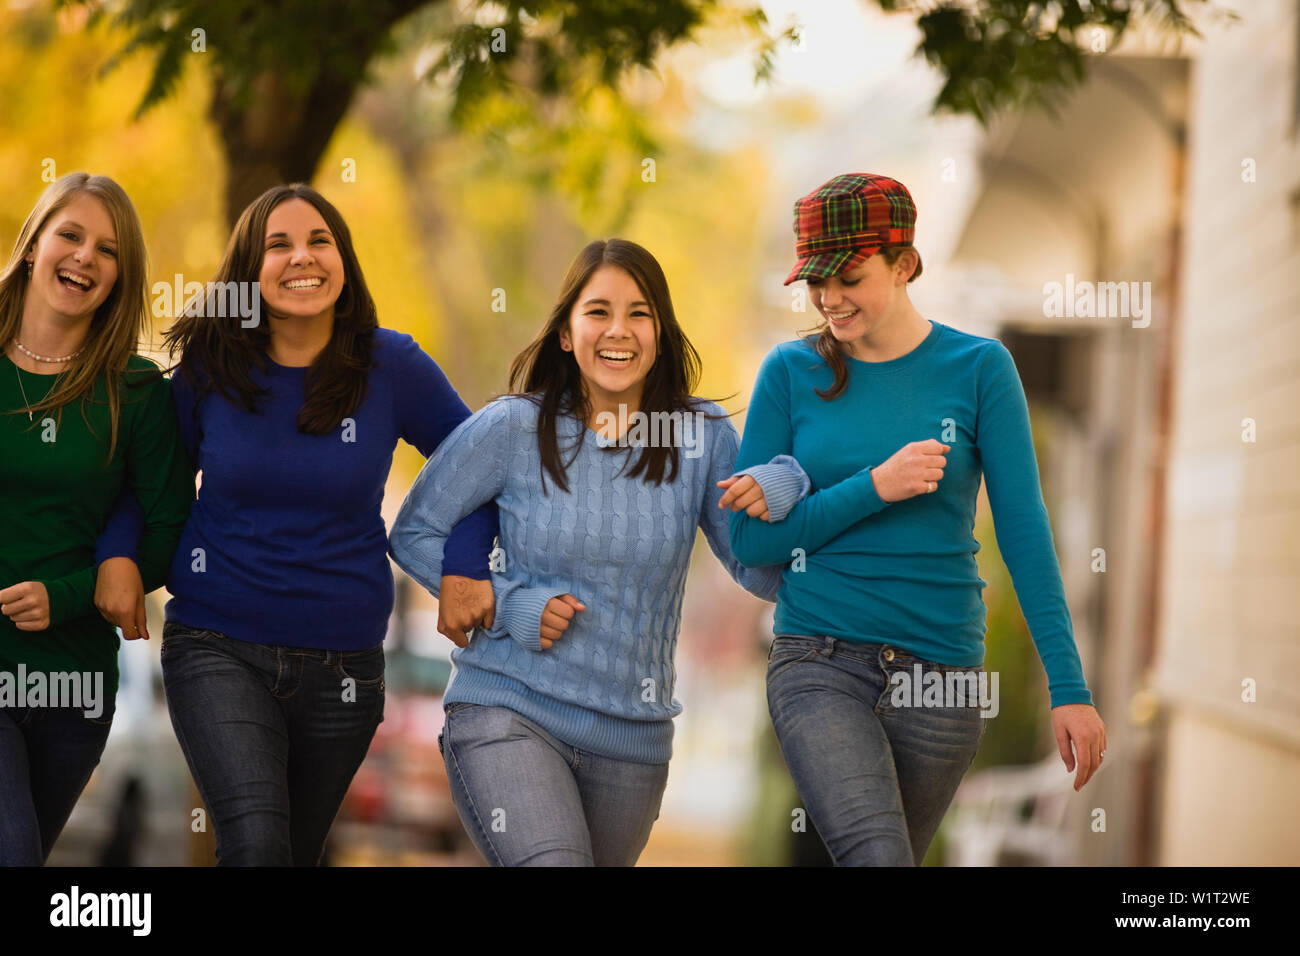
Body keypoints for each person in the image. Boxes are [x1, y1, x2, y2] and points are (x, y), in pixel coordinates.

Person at [97, 183, 498, 865]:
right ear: (249, 272)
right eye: (277, 245)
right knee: (255, 844)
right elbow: (152, 483)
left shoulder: (390, 365)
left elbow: (483, 467)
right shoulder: (210, 368)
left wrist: (464, 566)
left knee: (291, 854)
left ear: (343, 260)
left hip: (344, 669)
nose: (301, 257)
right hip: (218, 644)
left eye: (319, 241)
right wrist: (118, 555)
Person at [388, 238, 809, 866]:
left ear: (662, 331)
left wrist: (789, 485)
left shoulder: (700, 439)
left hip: (632, 744)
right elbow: (415, 531)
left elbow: (758, 568)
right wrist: (508, 605)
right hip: (508, 708)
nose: (619, 330)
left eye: (639, 313)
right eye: (598, 311)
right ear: (565, 332)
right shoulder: (513, 427)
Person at [729, 173, 1107, 866]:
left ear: (903, 265)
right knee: (877, 855)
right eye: (816, 281)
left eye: (849, 276)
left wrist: (1069, 688)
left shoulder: (980, 368)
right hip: (820, 659)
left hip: (942, 675)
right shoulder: (789, 372)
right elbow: (750, 539)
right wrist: (875, 486)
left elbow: (1025, 533)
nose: (828, 299)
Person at [0, 173, 192, 865]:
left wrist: (74, 593)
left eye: (107, 250)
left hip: (74, 688)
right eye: (70, 235)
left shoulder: (136, 390)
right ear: (33, 247)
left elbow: (169, 529)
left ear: (121, 276)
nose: (85, 257)